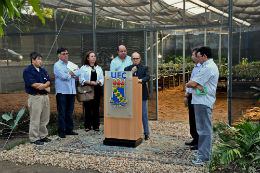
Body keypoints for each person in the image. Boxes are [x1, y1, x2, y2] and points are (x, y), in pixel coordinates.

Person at [186, 47, 219, 165]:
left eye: (199, 56)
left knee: (204, 130)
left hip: (203, 101)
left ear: (205, 56)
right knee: (202, 129)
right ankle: (203, 152)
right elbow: (195, 84)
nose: (197, 59)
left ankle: (204, 157)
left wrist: (192, 84)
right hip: (201, 101)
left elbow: (192, 83)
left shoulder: (208, 67)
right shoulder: (206, 66)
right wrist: (195, 85)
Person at [23, 52, 51, 145]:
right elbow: (34, 85)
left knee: (44, 118)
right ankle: (34, 138)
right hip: (36, 97)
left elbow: (49, 82)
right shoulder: (28, 71)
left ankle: (43, 136)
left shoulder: (43, 70)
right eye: (38, 59)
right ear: (33, 60)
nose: (40, 61)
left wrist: (44, 85)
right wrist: (44, 86)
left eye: (41, 59)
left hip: (45, 97)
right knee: (35, 118)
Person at [54, 47, 80, 138]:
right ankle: (61, 131)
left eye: (67, 53)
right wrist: (71, 74)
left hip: (72, 91)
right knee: (62, 112)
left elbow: (78, 73)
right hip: (62, 92)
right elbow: (63, 76)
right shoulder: (57, 65)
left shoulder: (72, 64)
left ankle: (69, 129)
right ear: (59, 55)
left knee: (69, 111)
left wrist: (70, 73)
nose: (66, 55)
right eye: (63, 54)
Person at [124, 52, 150, 140]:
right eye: (134, 58)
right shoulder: (127, 69)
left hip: (142, 95)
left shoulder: (144, 68)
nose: (135, 60)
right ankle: (131, 131)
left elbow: (148, 77)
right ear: (131, 59)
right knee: (131, 114)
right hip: (130, 96)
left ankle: (146, 133)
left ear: (140, 59)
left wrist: (140, 80)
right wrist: (132, 72)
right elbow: (125, 79)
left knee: (144, 114)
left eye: (137, 58)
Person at [79, 51, 104, 131]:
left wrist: (98, 82)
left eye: (94, 56)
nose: (93, 58)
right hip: (87, 89)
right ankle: (87, 125)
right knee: (88, 107)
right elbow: (81, 79)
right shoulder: (83, 68)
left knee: (96, 107)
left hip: (96, 88)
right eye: (92, 56)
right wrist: (89, 82)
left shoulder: (98, 68)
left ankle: (96, 125)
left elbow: (102, 79)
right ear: (88, 58)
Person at [184, 48, 201, 150]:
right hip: (191, 95)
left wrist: (188, 92)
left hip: (196, 95)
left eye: (193, 55)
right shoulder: (195, 67)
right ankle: (195, 137)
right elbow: (190, 81)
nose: (192, 56)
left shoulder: (201, 68)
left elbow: (194, 83)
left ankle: (199, 140)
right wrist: (186, 94)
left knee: (196, 118)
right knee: (192, 117)